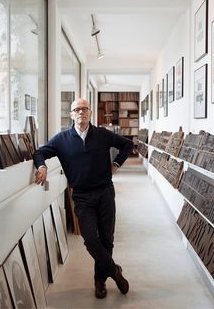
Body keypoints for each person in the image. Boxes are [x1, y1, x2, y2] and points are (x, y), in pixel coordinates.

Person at [33, 98, 133, 299]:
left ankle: (99, 281)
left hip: (105, 192)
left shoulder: (103, 135)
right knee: (90, 240)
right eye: (76, 109)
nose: (81, 112)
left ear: (90, 113)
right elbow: (39, 152)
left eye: (84, 109)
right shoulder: (62, 140)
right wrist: (42, 167)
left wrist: (116, 164)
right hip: (81, 196)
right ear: (71, 114)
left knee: (107, 239)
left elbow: (128, 145)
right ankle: (115, 272)